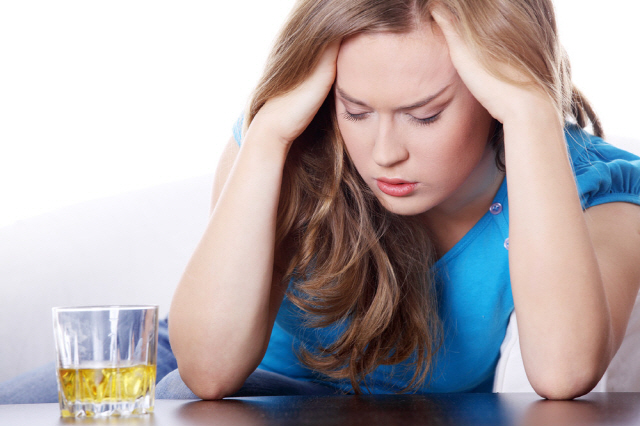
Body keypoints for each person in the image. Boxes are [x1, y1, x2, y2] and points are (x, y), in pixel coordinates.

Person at [1, 0, 639, 403]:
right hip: (201, 377)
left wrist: (532, 114)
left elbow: (565, 373)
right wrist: (269, 135)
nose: (383, 153)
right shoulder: (286, 139)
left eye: (424, 115)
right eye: (355, 110)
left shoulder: (600, 188)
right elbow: (208, 372)